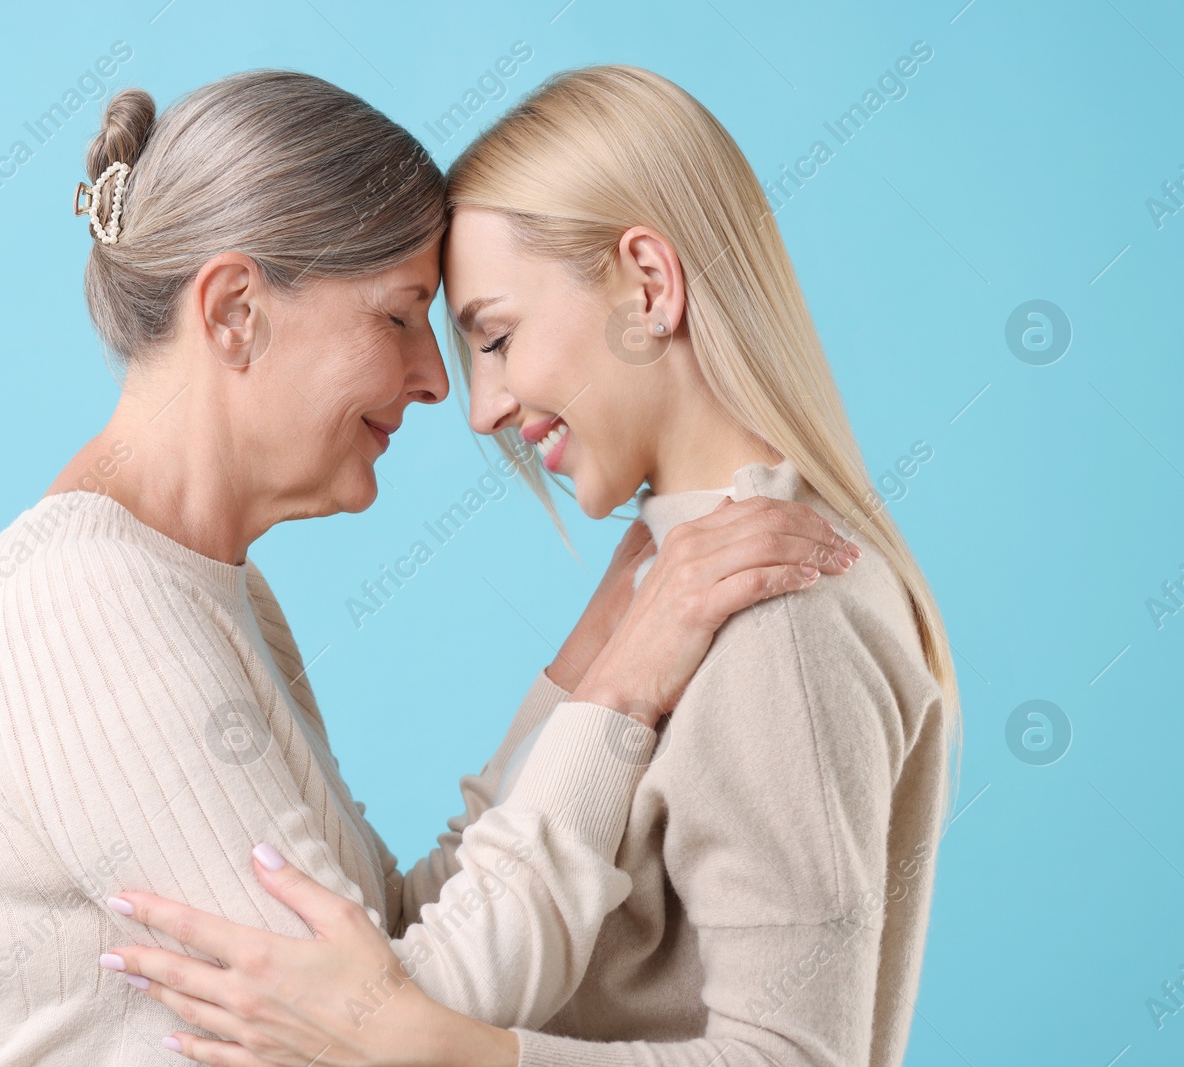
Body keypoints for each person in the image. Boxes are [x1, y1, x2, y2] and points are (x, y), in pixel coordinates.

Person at [0, 69, 855, 1066]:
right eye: (398, 316)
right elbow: (369, 1034)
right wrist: (620, 692)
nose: (437, 380)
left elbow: (380, 951)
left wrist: (588, 657)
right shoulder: (82, 605)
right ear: (234, 311)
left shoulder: (208, 589)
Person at [104, 65, 959, 1067]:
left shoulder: (779, 603)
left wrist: (438, 1047)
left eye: (497, 338)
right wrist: (592, 679)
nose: (481, 407)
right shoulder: (678, 579)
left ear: (648, 283)